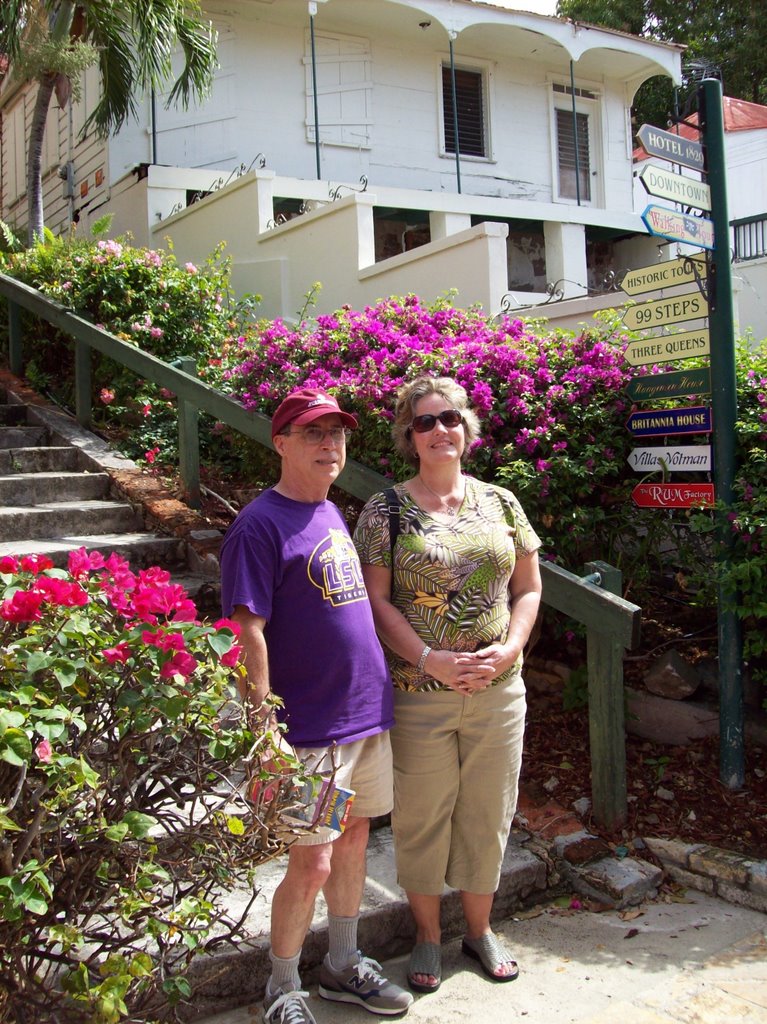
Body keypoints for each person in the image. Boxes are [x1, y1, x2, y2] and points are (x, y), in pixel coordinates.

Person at [220, 387, 413, 1024]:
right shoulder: (259, 525)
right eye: (313, 433)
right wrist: (263, 726)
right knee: (313, 859)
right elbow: (247, 630)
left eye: (336, 433)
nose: (329, 444)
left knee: (354, 838)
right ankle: (281, 987)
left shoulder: (330, 511)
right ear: (280, 443)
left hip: (363, 720)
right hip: (310, 732)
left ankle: (341, 965)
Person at [353, 376, 542, 995]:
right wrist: (429, 658)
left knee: (488, 814)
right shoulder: (385, 510)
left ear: (468, 429)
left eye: (450, 418)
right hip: (418, 693)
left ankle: (480, 931)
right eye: (425, 422)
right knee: (423, 816)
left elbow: (529, 588)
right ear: (409, 436)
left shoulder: (503, 503)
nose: (440, 430)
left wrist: (511, 648)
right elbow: (376, 602)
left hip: (497, 691)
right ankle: (428, 935)